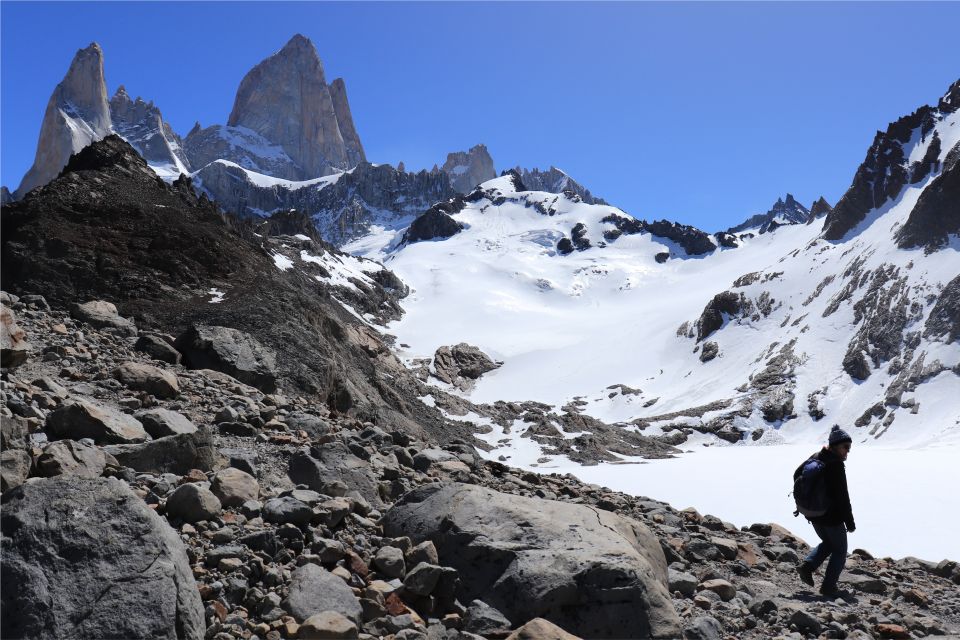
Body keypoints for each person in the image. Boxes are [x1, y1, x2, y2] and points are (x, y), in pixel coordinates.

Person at [795, 425, 855, 597]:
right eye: (845, 447)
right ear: (836, 446)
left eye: (849, 448)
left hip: (813, 514)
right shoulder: (835, 465)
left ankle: (807, 567)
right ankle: (828, 587)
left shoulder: (816, 457)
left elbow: (796, 475)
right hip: (831, 517)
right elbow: (843, 497)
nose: (847, 452)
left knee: (829, 543)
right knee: (840, 550)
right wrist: (849, 522)